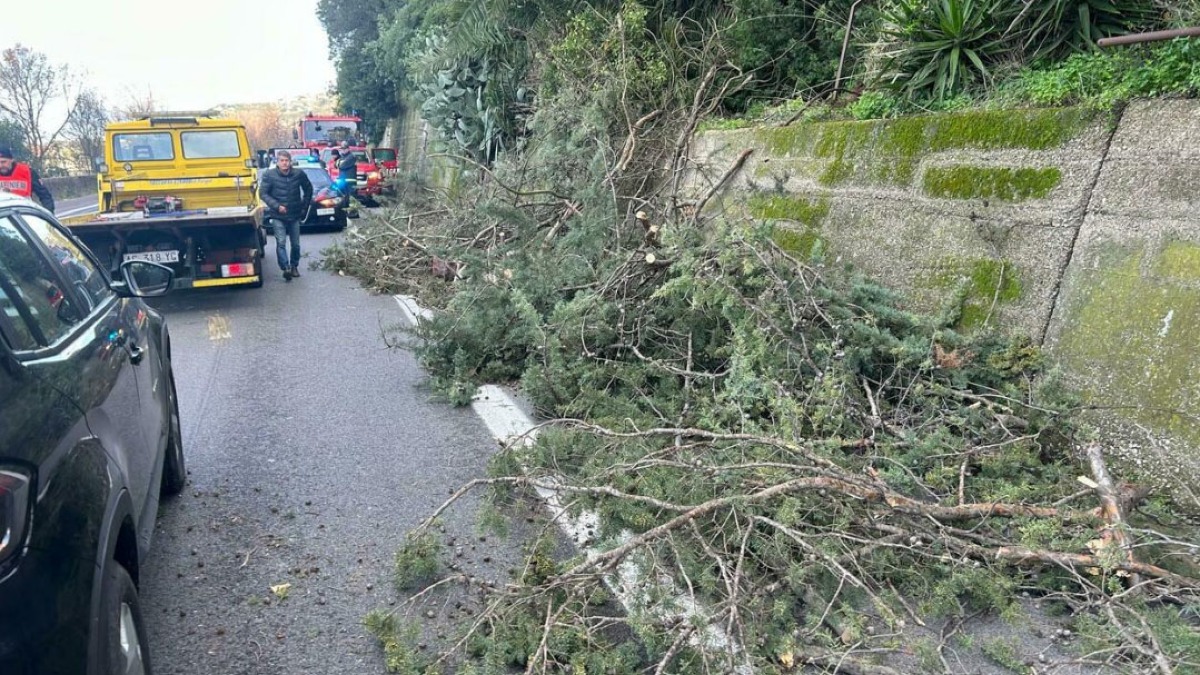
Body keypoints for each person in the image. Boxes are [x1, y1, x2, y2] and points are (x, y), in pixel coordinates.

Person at [258, 150, 312, 281]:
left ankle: (294, 266)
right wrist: (277, 206)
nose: (284, 163)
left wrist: (304, 206)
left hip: (294, 214)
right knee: (281, 242)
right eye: (282, 161)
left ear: (290, 162)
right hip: (278, 215)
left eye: (286, 161)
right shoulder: (269, 175)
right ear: (277, 162)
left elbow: (308, 189)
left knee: (296, 244)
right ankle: (285, 267)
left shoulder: (298, 174)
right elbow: (263, 193)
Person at [0, 147, 55, 212]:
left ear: (12, 160)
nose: (0, 165)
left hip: (25, 214)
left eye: (3, 162)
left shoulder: (27, 172)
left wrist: (48, 214)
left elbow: (45, 196)